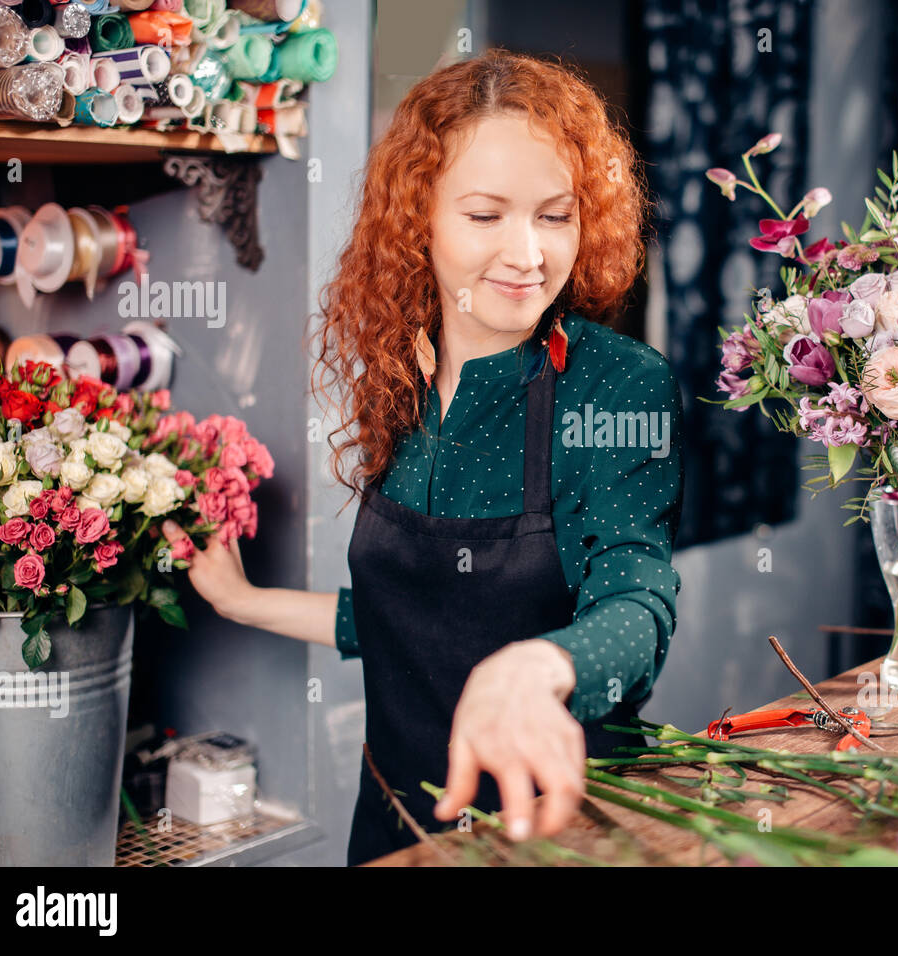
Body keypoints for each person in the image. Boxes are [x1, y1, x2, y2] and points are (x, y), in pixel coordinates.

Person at [161, 48, 685, 865]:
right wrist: (243, 601)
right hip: (394, 831)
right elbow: (417, 621)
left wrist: (541, 668)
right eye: (486, 215)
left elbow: (638, 600)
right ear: (419, 219)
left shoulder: (616, 386)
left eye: (555, 214)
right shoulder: (401, 374)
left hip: (552, 832)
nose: (530, 254)